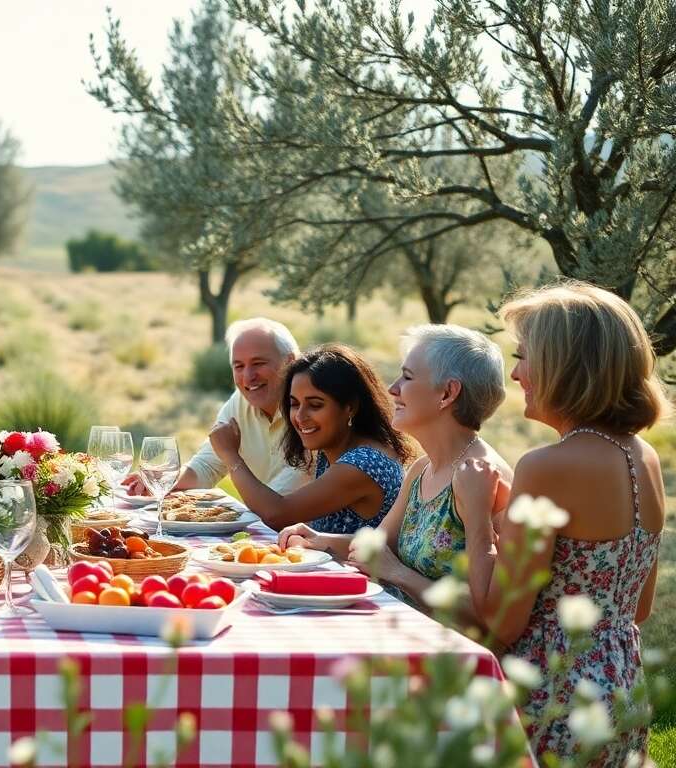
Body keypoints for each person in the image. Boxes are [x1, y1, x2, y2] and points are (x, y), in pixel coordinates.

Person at [458, 282, 667, 766]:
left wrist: (475, 520)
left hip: (555, 695)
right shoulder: (645, 458)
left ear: (564, 365)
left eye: (524, 356)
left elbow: (501, 623)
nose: (515, 373)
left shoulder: (547, 465)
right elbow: (638, 607)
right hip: (621, 691)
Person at [278, 325, 513, 616]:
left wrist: (399, 573)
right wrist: (318, 539)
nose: (393, 388)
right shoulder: (421, 469)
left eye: (408, 377)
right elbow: (377, 545)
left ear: (448, 393)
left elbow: (494, 615)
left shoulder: (486, 477)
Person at [210, 343, 413, 534]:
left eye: (315, 405)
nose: (299, 417)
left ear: (350, 406)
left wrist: (230, 456)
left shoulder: (365, 463)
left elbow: (277, 514)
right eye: (294, 404)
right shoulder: (335, 450)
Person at [123, 318, 309, 496]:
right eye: (238, 366)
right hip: (263, 522)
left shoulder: (310, 412)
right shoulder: (240, 401)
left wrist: (230, 456)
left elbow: (278, 506)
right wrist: (162, 478)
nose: (248, 376)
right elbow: (208, 465)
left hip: (299, 526)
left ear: (290, 362)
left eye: (258, 363)